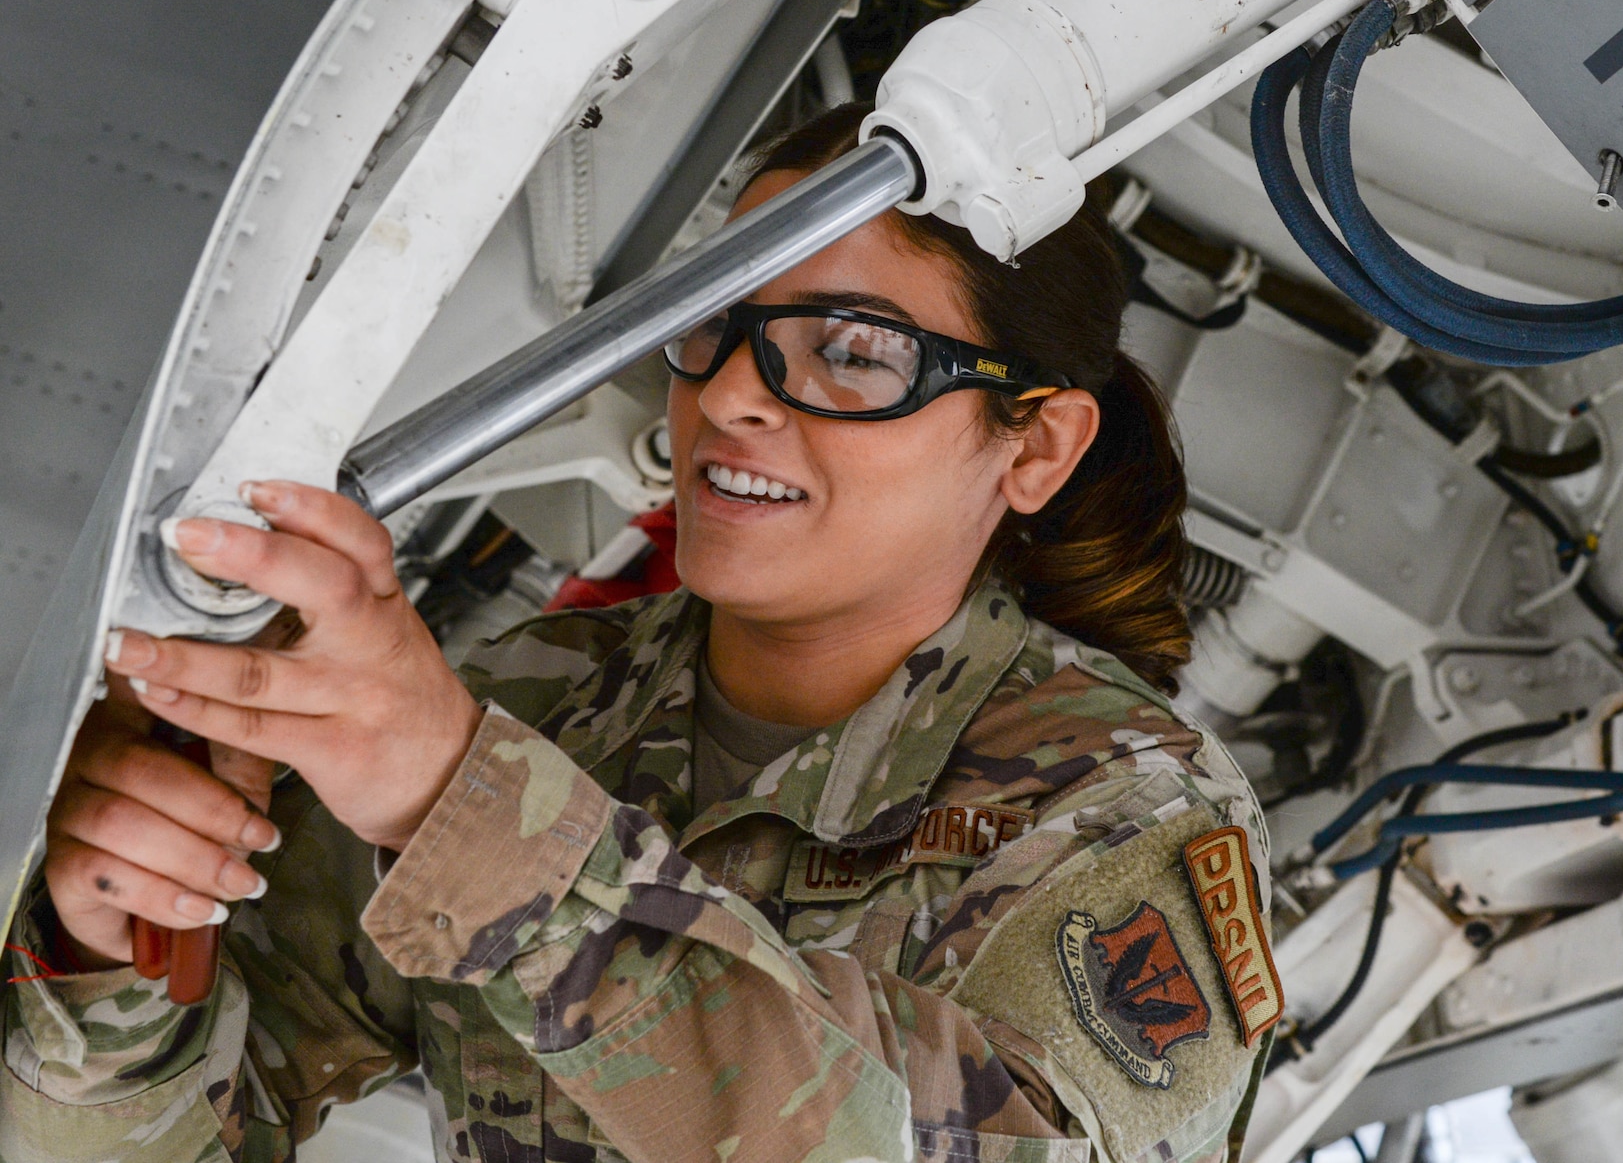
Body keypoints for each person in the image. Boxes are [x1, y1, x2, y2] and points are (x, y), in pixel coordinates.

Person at [1, 104, 1280, 1163]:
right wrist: (112, 940)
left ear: (1034, 446)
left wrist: (470, 812)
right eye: (713, 325)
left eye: (850, 351)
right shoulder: (540, 709)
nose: (730, 395)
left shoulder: (1123, 817)